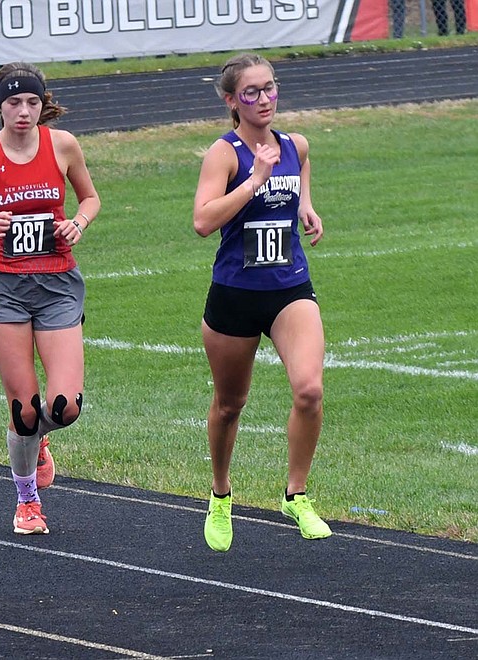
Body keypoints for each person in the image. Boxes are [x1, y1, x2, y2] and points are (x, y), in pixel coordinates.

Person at [0, 62, 100, 535]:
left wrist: (78, 223)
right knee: (25, 409)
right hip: (3, 286)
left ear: (42, 104)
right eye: (14, 102)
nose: (24, 111)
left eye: (32, 102)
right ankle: (26, 500)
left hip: (57, 283)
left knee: (64, 407)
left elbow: (91, 199)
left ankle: (35, 443)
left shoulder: (63, 145)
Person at [192, 53, 331, 551]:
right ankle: (221, 495)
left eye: (270, 88)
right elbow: (203, 221)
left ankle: (295, 494)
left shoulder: (295, 144)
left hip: (289, 287)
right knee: (230, 405)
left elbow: (300, 176)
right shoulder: (224, 154)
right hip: (235, 293)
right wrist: (254, 181)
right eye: (251, 92)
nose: (265, 99)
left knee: (309, 389)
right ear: (232, 100)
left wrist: (307, 208)